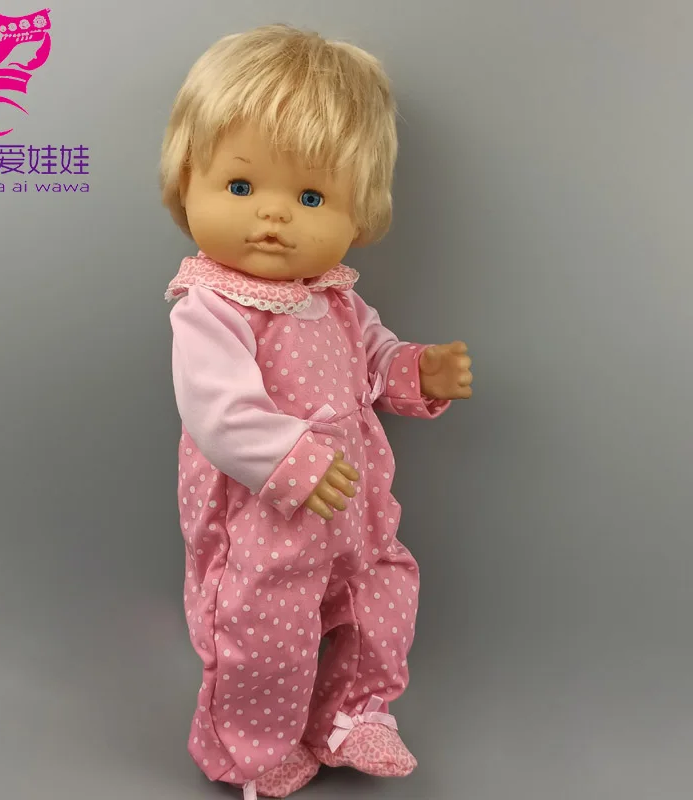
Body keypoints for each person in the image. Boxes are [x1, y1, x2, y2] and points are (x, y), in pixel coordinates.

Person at [160, 23, 473, 799]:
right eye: (241, 188)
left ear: (357, 215)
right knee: (265, 627)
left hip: (357, 504)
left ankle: (354, 713)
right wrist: (285, 458)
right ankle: (252, 750)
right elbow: (216, 407)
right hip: (266, 512)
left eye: (309, 197)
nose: (273, 217)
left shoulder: (336, 299)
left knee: (381, 595)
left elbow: (374, 360)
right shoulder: (213, 306)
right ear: (187, 184)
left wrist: (419, 370)